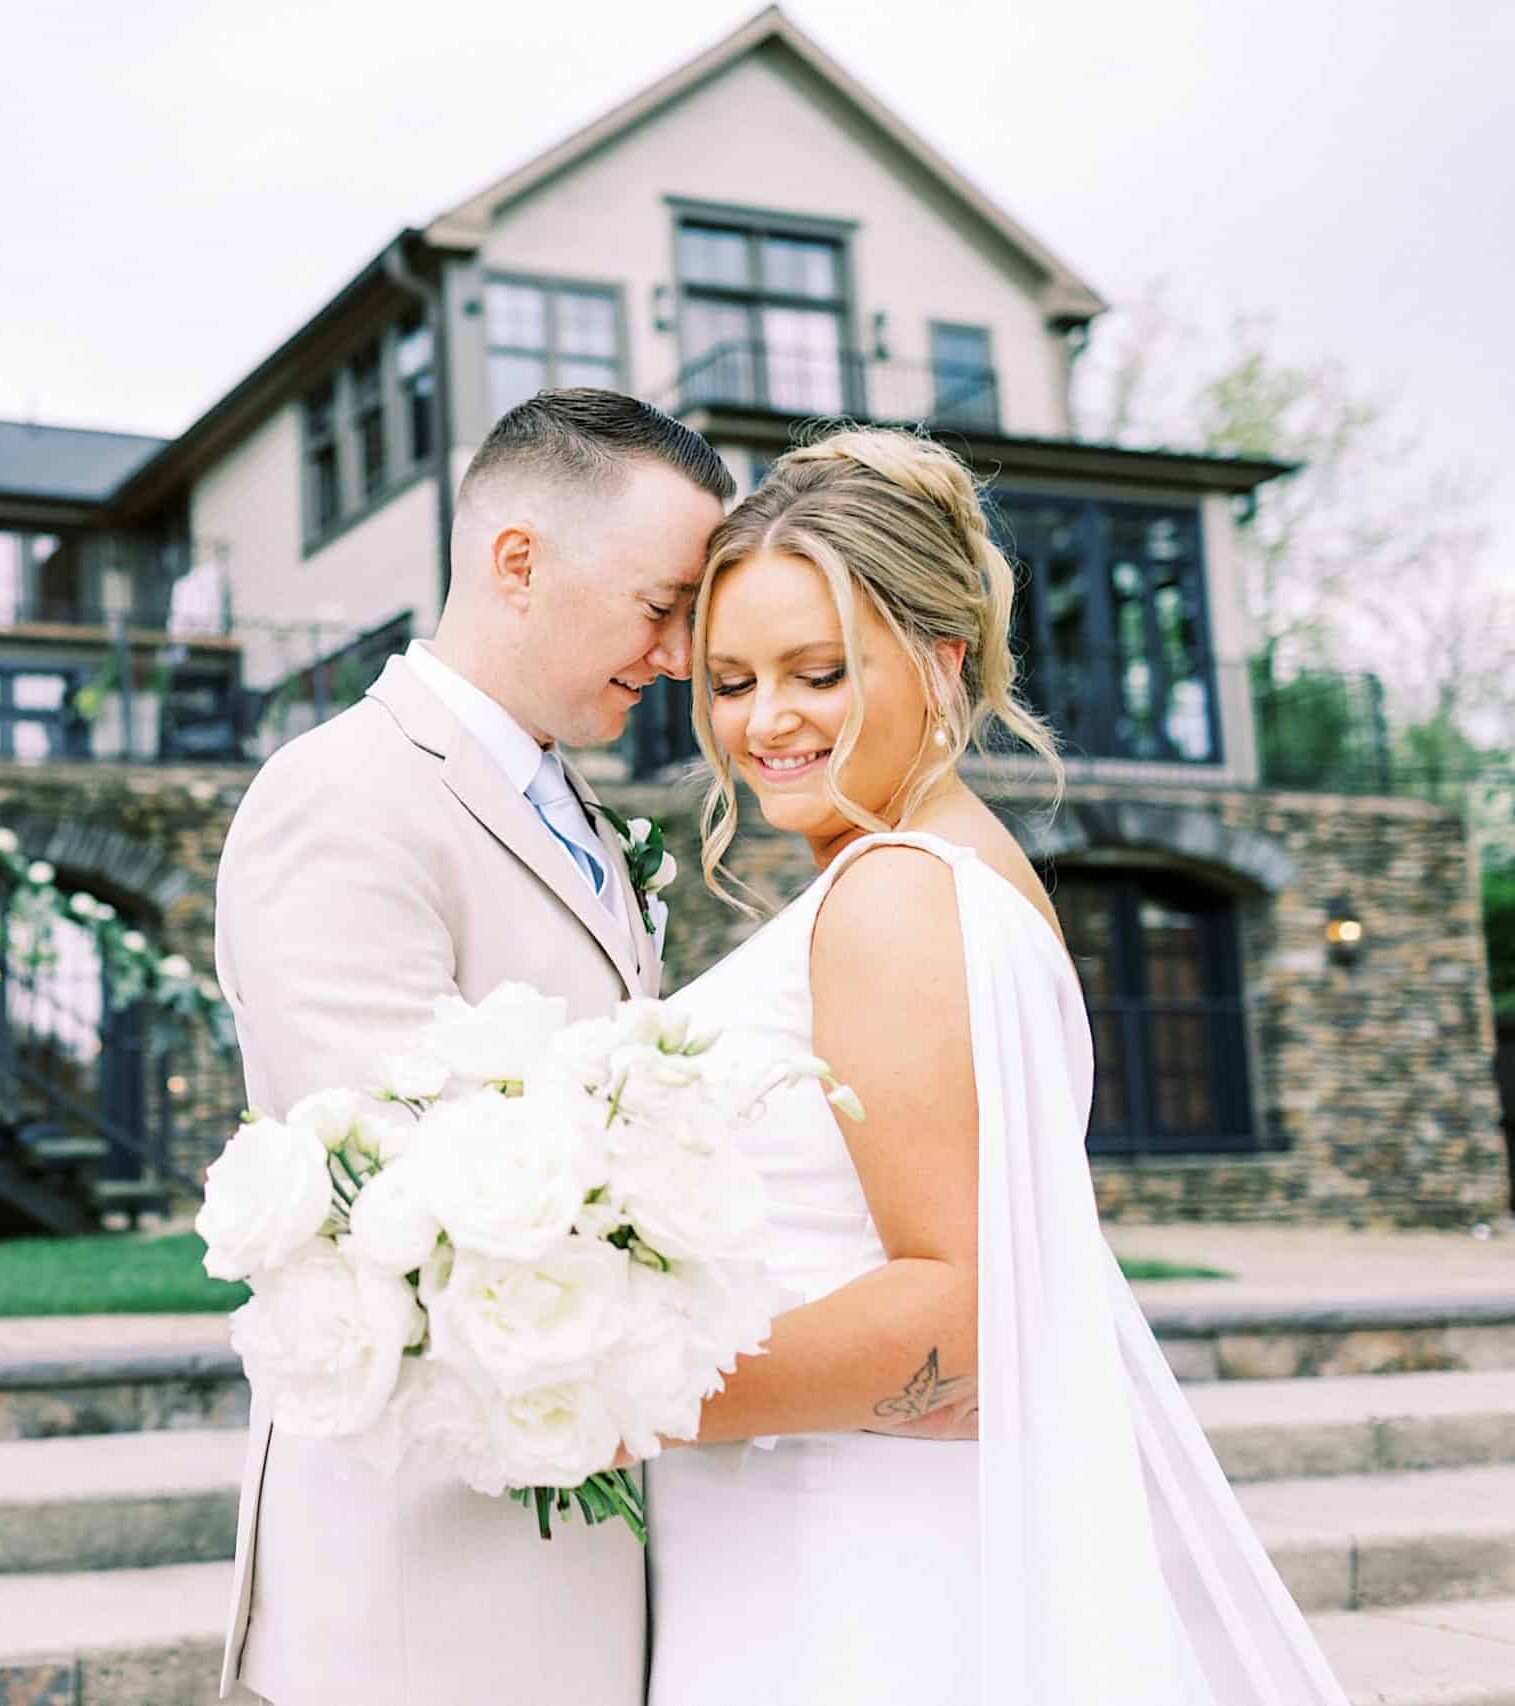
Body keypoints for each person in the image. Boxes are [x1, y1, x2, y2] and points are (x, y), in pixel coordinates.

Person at [645, 427, 1350, 1705]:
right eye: (731, 679)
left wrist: (603, 1384)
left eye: (818, 671)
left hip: (838, 1566)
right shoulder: (970, 875)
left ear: (940, 657)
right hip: (870, 1524)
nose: (768, 721)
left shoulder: (893, 896)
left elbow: (968, 1317)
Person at [213, 390, 731, 1706]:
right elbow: (410, 1202)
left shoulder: (577, 810)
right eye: (658, 604)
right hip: (421, 1588)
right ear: (516, 560)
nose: (676, 656)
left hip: (576, 1542)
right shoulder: (344, 796)